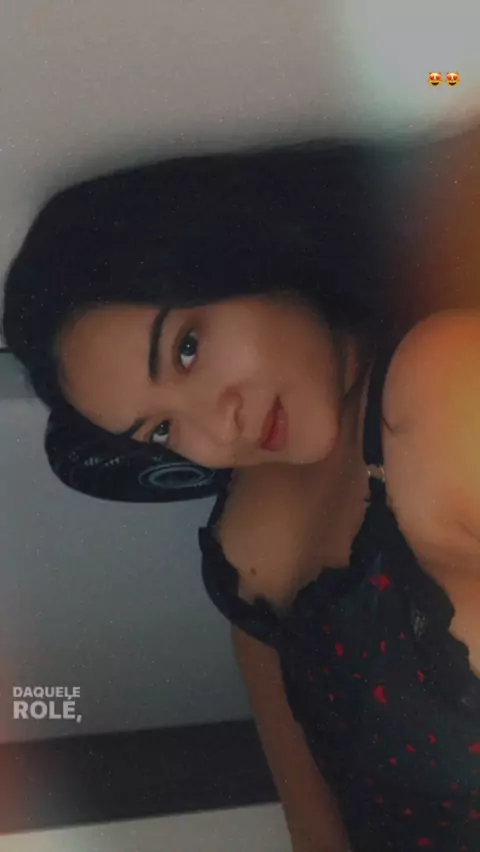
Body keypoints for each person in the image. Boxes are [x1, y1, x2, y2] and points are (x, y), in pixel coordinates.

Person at [2, 137, 480, 852]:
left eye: (187, 348)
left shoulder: (443, 390)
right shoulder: (243, 539)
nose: (214, 433)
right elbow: (314, 829)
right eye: (162, 430)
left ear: (241, 255)